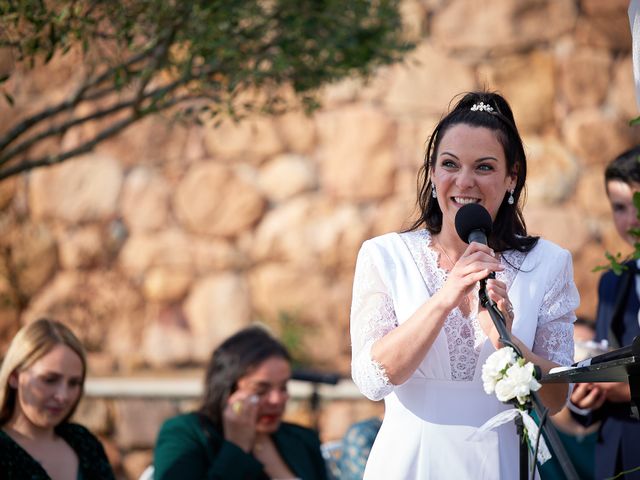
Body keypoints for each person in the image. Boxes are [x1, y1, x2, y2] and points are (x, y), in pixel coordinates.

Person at [350, 91, 579, 479]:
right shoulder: (384, 256)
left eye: (484, 167)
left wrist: (508, 341)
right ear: (433, 171)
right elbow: (373, 379)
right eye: (450, 164)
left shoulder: (548, 264)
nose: (464, 181)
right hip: (408, 462)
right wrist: (445, 296)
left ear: (513, 176)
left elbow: (555, 400)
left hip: (501, 463)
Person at [153, 325, 327, 479]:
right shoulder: (185, 433)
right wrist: (237, 446)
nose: (276, 400)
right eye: (260, 390)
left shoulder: (302, 439)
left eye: (283, 388)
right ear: (228, 389)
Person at [570, 146, 640, 479]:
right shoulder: (612, 281)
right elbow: (605, 358)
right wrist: (585, 397)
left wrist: (629, 388)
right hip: (617, 457)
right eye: (620, 208)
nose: (631, 220)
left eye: (638, 203)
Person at [0, 318, 115, 479]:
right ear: (14, 377)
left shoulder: (84, 443)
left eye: (74, 383)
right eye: (49, 379)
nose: (63, 396)